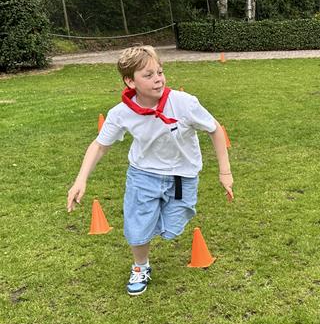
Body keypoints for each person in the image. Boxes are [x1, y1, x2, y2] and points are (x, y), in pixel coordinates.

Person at [66, 45, 233, 296]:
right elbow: (100, 145)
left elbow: (214, 129)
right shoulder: (121, 113)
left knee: (171, 228)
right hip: (143, 174)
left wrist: (225, 172)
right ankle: (140, 266)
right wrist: (81, 180)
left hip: (182, 176)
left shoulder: (184, 103)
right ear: (130, 81)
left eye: (160, 72)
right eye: (148, 75)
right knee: (137, 225)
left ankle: (148, 222)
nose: (158, 79)